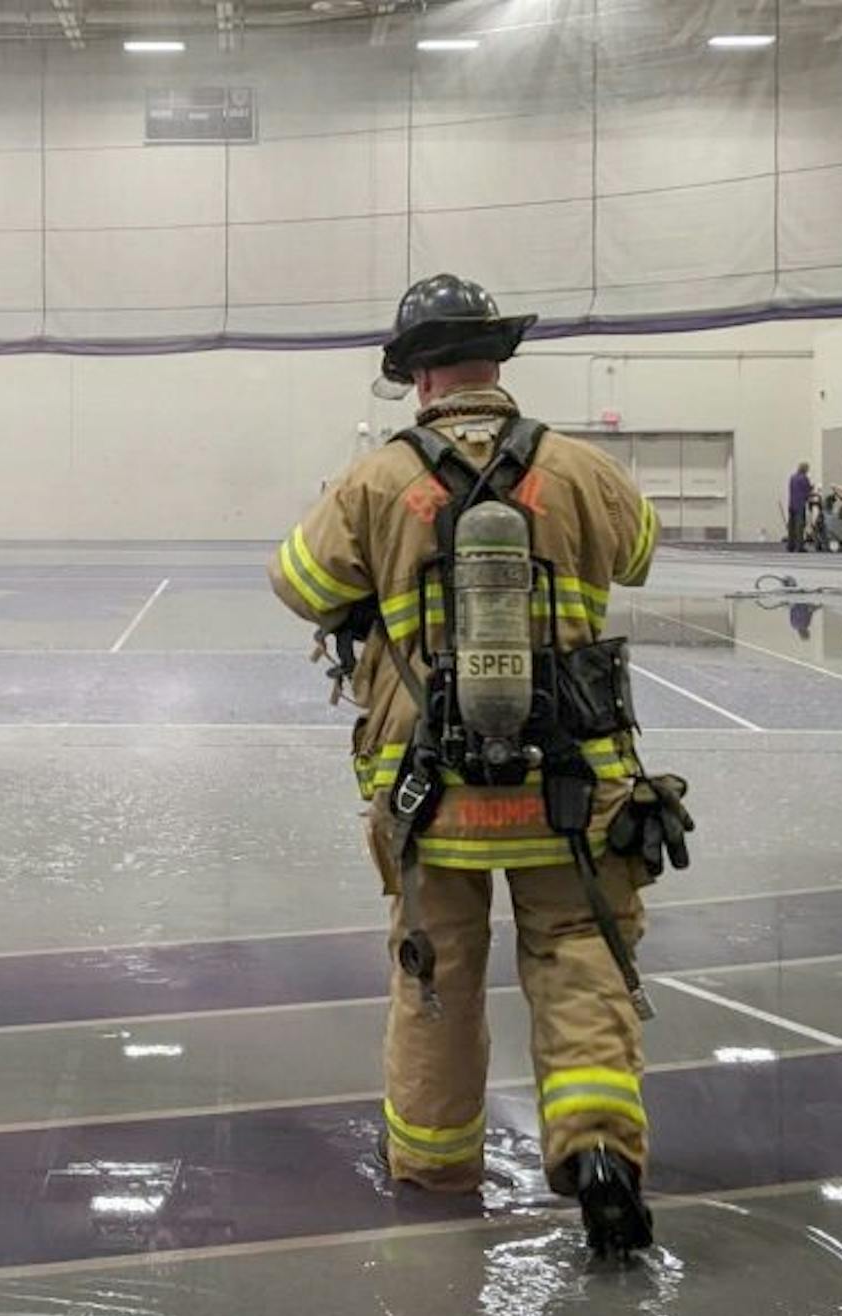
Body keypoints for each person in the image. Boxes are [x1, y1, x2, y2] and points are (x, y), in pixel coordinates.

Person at [269, 274, 668, 1257]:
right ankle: (601, 1151)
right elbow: (643, 551)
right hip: (576, 786)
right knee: (581, 952)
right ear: (496, 363)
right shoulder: (579, 468)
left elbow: (298, 582)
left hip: (430, 792)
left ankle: (436, 1168)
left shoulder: (375, 483)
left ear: (417, 378)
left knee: (433, 975)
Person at [786, 461, 812, 552]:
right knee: (799, 526)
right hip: (800, 504)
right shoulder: (804, 478)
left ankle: (790, 545)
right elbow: (807, 490)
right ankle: (799, 546)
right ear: (805, 469)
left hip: (791, 504)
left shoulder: (792, 477)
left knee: (791, 526)